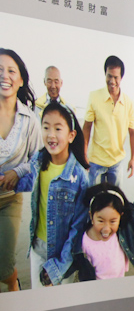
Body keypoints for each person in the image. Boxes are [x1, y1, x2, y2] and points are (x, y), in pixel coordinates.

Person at [14, 102, 89, 287]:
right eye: (46, 127)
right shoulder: (38, 162)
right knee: (39, 305)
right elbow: (24, 182)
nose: (51, 134)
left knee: (60, 309)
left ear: (71, 135)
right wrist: (9, 178)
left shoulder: (79, 177)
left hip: (64, 257)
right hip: (38, 249)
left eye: (58, 128)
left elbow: (77, 229)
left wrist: (60, 267)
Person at [0, 48, 43, 292]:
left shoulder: (30, 119)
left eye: (10, 71)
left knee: (3, 266)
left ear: (20, 80)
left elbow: (38, 158)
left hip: (9, 201)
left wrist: (18, 171)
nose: (4, 75)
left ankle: (12, 282)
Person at [70, 180, 134, 281]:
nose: (106, 229)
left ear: (120, 217)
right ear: (91, 215)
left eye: (113, 221)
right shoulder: (82, 243)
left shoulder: (123, 227)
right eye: (101, 221)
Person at [82, 55, 134, 187]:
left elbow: (133, 133)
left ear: (121, 78)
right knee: (94, 202)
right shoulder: (94, 97)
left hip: (116, 163)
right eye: (109, 76)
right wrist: (84, 154)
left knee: (115, 203)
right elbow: (86, 128)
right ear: (105, 75)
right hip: (96, 161)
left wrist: (133, 159)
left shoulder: (128, 103)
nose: (112, 81)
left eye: (115, 77)